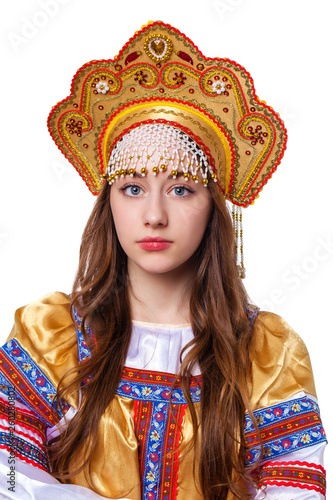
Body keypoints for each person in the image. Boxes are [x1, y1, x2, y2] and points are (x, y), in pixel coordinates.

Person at [0, 21, 327, 500]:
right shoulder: (48, 336)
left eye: (181, 189)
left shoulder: (268, 354)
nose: (154, 216)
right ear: (108, 201)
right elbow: (9, 477)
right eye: (132, 188)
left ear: (214, 208)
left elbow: (295, 489)